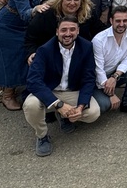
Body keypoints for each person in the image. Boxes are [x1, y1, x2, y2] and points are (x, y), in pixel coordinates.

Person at [23, 16, 101, 157]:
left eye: (72, 29)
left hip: (71, 90)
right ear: (57, 32)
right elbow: (33, 81)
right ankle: (42, 136)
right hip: (49, 91)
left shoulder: (86, 47)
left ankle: (66, 116)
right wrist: (59, 105)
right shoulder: (44, 50)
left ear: (78, 31)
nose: (68, 33)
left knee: (93, 113)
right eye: (63, 30)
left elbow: (88, 79)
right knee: (31, 105)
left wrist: (80, 107)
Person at [25, 0, 104, 60]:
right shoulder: (46, 14)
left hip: (79, 58)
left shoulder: (89, 14)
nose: (72, 3)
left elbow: (101, 34)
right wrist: (31, 53)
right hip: (50, 57)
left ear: (82, 1)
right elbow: (30, 38)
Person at [91, 6, 127, 116]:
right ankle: (99, 95)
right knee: (105, 105)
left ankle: (126, 103)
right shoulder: (99, 40)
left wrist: (115, 77)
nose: (121, 24)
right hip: (96, 79)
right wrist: (111, 94)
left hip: (114, 72)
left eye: (125, 20)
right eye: (118, 21)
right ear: (111, 21)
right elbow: (98, 70)